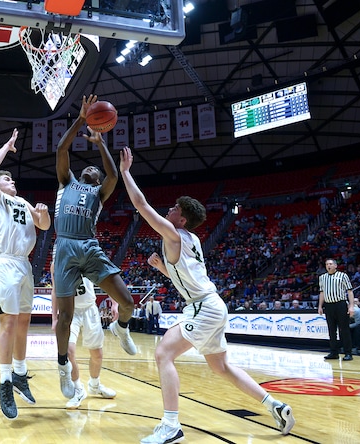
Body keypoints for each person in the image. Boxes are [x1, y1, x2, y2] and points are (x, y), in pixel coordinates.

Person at [119, 146, 295, 442]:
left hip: (204, 307)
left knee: (163, 353)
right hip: (210, 304)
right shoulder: (191, 240)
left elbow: (141, 204)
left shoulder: (174, 234)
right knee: (221, 366)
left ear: (182, 219)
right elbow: (190, 278)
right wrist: (165, 269)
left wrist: (125, 172)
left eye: (175, 209)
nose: (170, 209)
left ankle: (171, 425)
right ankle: (275, 405)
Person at [53, 95, 136, 402]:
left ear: (97, 180)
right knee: (64, 318)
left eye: (95, 172)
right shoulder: (67, 182)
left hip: (89, 247)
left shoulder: (99, 193)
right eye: (87, 169)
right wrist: (81, 118)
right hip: (65, 248)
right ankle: (63, 367)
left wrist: (100, 142)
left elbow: (114, 175)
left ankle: (122, 327)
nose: (91, 171)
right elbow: (62, 149)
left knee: (127, 301)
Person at [0, 129, 51, 419]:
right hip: (4, 262)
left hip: (25, 263)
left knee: (25, 320)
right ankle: (5, 382)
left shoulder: (23, 201)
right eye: (7, 179)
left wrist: (44, 212)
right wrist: (7, 146)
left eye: (12, 180)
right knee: (9, 322)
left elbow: (45, 226)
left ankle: (21, 373)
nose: (13, 182)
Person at [51, 269, 117, 409]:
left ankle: (95, 385)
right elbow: (55, 290)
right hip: (69, 310)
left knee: (97, 355)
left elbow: (107, 280)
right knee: (68, 351)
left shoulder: (87, 256)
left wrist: (115, 303)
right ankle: (78, 389)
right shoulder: (56, 264)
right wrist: (54, 318)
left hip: (89, 309)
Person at [318, 258, 355, 361]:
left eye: (330, 264)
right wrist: (320, 306)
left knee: (344, 329)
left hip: (340, 304)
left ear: (335, 266)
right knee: (331, 330)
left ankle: (348, 353)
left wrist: (351, 306)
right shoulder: (322, 277)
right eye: (326, 264)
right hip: (328, 306)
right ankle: (334, 352)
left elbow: (350, 291)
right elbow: (322, 292)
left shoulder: (343, 275)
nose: (328, 266)